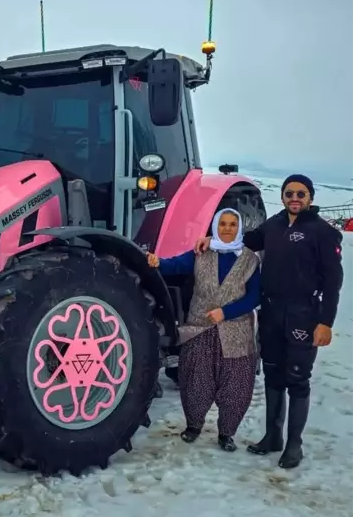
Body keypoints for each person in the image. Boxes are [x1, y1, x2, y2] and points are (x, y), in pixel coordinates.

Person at [194, 174, 344, 469]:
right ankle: (273, 436)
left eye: (301, 193)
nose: (295, 198)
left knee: (297, 379)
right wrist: (212, 240)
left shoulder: (323, 232)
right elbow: (243, 240)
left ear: (310, 197)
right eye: (289, 193)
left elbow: (333, 280)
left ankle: (294, 444)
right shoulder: (273, 225)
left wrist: (325, 321)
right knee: (274, 375)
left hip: (303, 313)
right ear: (284, 197)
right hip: (272, 312)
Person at [147, 208, 261, 451]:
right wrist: (157, 262)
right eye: (223, 224)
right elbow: (175, 265)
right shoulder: (202, 252)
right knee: (195, 380)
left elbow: (254, 296)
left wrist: (226, 312)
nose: (227, 229)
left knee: (236, 384)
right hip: (200, 328)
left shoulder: (250, 259)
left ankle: (226, 433)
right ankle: (194, 425)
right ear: (215, 227)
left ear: (239, 228)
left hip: (236, 331)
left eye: (232, 224)